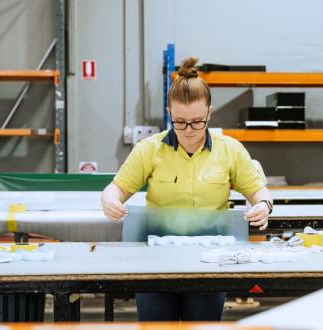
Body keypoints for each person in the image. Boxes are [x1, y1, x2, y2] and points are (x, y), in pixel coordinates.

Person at [101, 56, 273, 321]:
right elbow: (115, 189)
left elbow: (260, 193)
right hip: (155, 261)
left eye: (197, 121)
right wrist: (109, 200)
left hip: (210, 259)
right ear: (169, 113)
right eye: (180, 122)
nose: (189, 130)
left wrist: (263, 206)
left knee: (202, 325)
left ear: (209, 113)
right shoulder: (149, 149)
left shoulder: (230, 150)